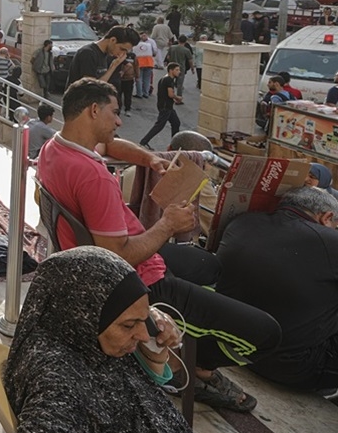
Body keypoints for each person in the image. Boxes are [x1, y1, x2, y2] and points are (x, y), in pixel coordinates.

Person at [37, 77, 281, 411]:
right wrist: (167, 224)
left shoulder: (57, 147)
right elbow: (116, 258)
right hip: (136, 280)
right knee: (266, 333)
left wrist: (149, 159)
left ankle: (188, 332)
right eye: (115, 113)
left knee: (208, 264)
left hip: (111, 256)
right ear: (94, 111)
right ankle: (196, 367)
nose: (120, 121)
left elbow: (110, 147)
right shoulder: (93, 177)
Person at [5, 247, 194, 433]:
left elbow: (146, 387)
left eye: (143, 321)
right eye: (129, 325)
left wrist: (152, 334)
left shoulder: (88, 344)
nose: (144, 335)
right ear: (82, 316)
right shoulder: (58, 383)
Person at [215, 187, 338, 396]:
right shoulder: (331, 242)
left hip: (228, 347)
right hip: (293, 368)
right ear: (327, 217)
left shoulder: (241, 222)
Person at [67, 25, 137, 88]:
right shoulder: (88, 53)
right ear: (113, 40)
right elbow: (91, 88)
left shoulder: (105, 54)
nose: (122, 54)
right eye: (122, 49)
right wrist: (113, 67)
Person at [139, 63, 183, 149]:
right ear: (171, 70)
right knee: (159, 126)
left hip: (166, 106)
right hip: (166, 107)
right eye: (177, 70)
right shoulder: (168, 80)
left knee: (176, 123)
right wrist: (178, 98)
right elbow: (170, 94)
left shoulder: (165, 79)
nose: (179, 72)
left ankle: (174, 145)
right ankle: (143, 142)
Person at [133, 31, 157, 98]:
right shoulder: (150, 43)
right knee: (147, 79)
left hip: (139, 62)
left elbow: (133, 53)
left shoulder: (136, 44)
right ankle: (146, 93)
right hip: (149, 62)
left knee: (139, 78)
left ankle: (139, 94)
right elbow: (155, 51)